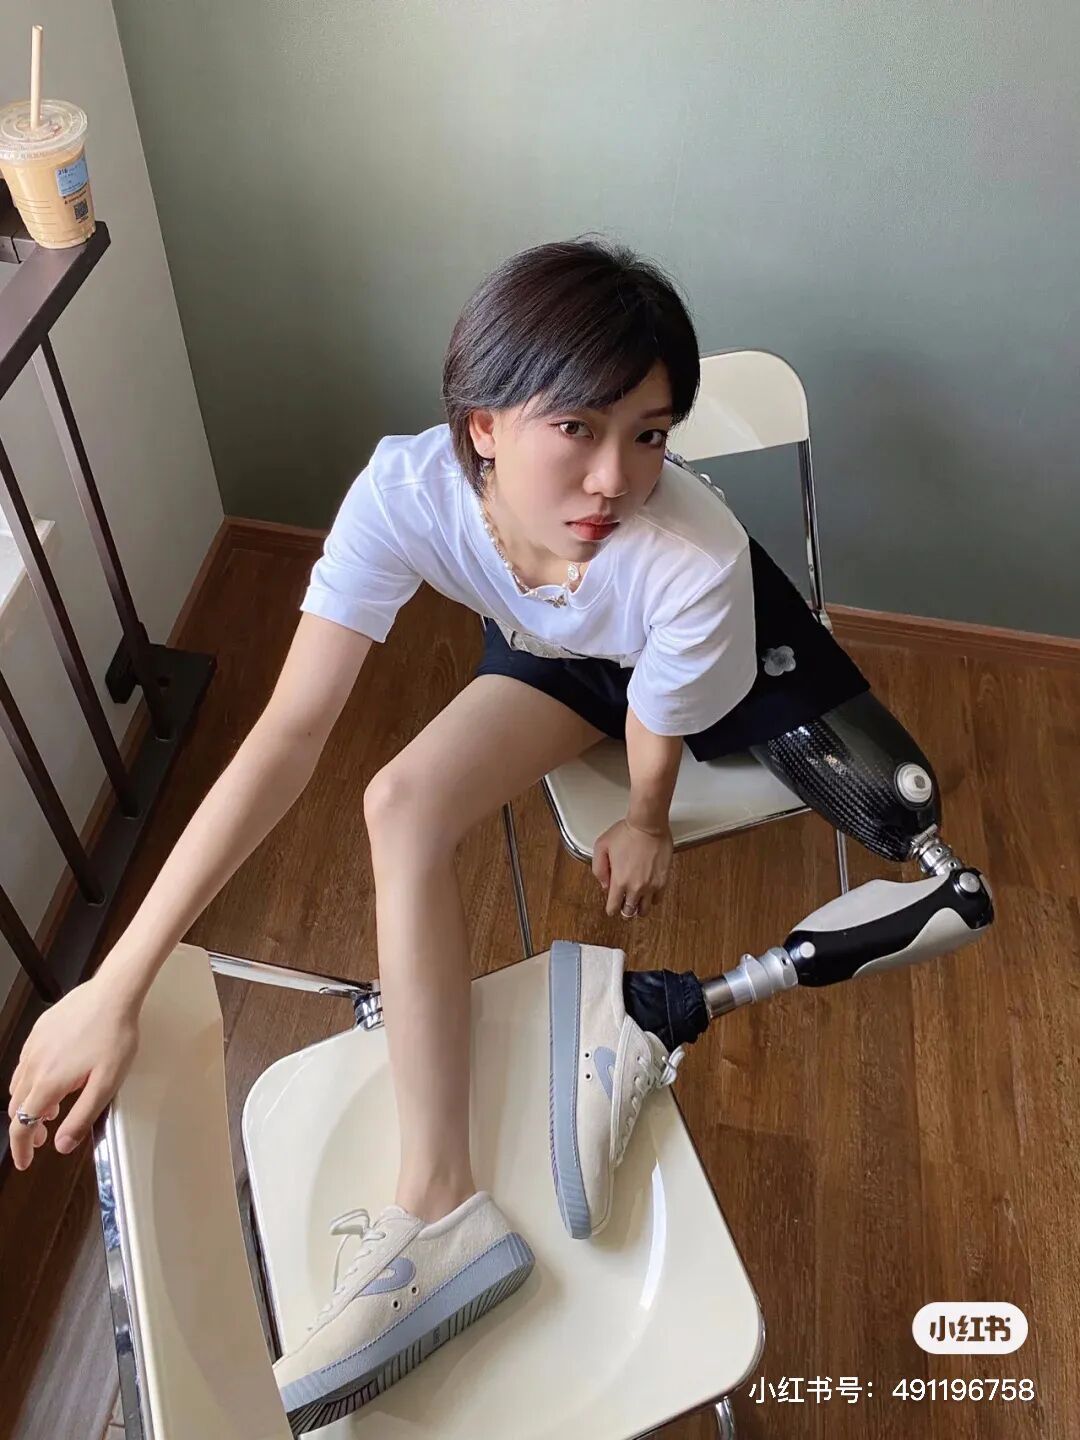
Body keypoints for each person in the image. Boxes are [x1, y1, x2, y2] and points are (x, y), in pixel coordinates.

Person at [7, 235, 869, 1430]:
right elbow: (289, 733)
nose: (615, 478)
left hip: (677, 673)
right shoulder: (404, 495)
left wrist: (645, 820)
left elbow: (655, 717)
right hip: (554, 646)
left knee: (744, 749)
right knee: (396, 801)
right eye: (577, 427)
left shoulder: (690, 555)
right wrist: (117, 983)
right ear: (483, 426)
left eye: (650, 434)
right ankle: (441, 1199)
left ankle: (497, 1131)